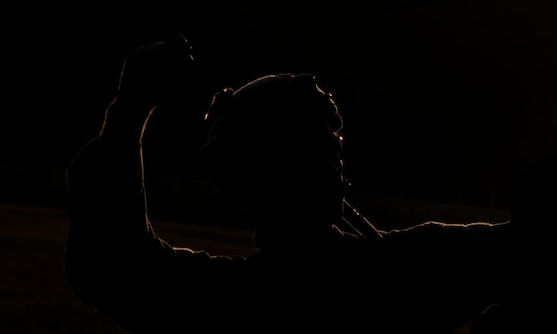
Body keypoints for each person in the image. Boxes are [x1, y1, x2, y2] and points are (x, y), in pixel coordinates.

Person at [65, 35, 510, 331]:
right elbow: (551, 237)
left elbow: (114, 268)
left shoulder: (231, 303)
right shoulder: (406, 271)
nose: (332, 162)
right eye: (319, 149)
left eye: (329, 148)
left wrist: (131, 106)